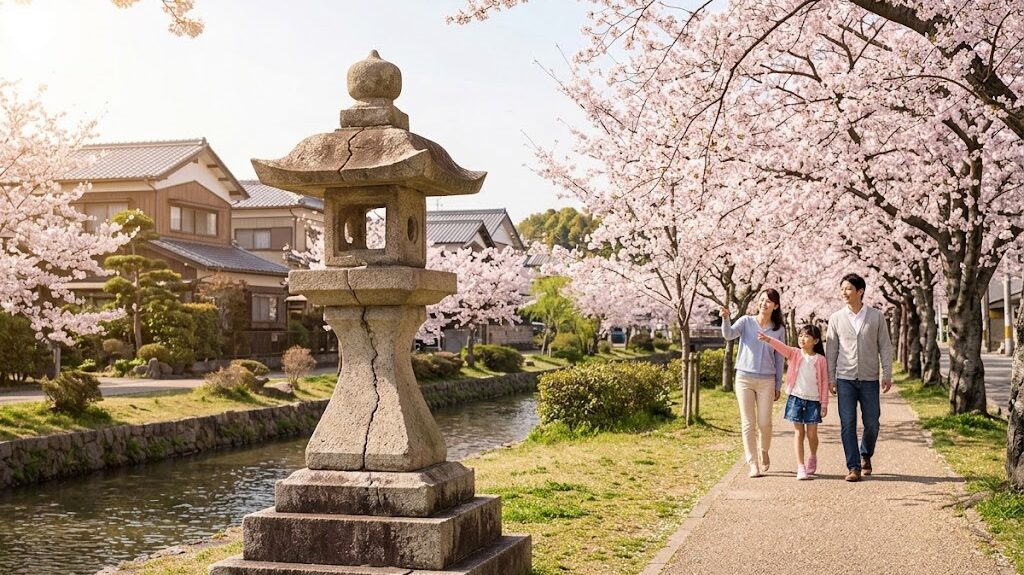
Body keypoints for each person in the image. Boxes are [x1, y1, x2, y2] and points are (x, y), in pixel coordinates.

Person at [826, 273, 894, 482]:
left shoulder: (876, 316)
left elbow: (884, 345)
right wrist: (831, 377)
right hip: (845, 378)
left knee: (872, 422)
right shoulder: (836, 318)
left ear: (860, 291)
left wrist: (887, 373)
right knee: (847, 422)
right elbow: (832, 350)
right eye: (842, 289)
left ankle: (866, 454)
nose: (844, 293)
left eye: (848, 289)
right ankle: (853, 467)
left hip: (869, 378)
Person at [720, 289, 786, 478]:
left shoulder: (778, 330)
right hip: (744, 378)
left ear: (775, 306)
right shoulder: (746, 322)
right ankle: (752, 464)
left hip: (767, 380)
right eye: (762, 300)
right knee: (748, 423)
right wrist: (726, 318)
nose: (764, 303)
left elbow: (780, 358)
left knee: (765, 423)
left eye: (769, 301)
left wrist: (778, 385)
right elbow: (729, 335)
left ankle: (764, 450)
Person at [758, 325, 829, 480]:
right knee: (799, 432)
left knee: (812, 435)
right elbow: (781, 347)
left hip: (813, 401)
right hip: (796, 398)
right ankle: (800, 467)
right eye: (800, 335)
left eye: (806, 336)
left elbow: (824, 383)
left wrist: (824, 404)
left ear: (815, 341)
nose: (802, 339)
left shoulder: (821, 360)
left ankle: (813, 456)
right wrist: (768, 339)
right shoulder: (795, 354)